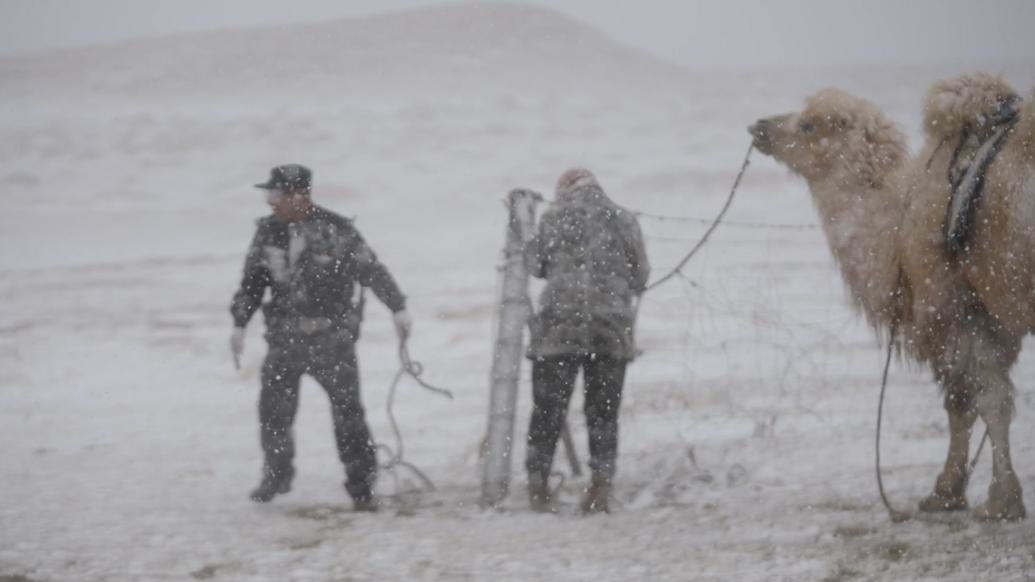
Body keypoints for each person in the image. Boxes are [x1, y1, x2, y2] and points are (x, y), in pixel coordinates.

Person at [229, 163, 412, 511]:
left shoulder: (337, 230)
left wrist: (398, 307)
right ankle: (277, 474)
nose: (271, 203)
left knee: (349, 416)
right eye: (270, 195)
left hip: (331, 341)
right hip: (284, 340)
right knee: (273, 413)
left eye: (276, 195)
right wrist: (239, 323)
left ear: (299, 196)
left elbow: (371, 269)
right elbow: (252, 283)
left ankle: (361, 486)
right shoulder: (268, 233)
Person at [524, 168, 650, 514]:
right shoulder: (624, 218)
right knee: (603, 412)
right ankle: (599, 488)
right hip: (610, 329)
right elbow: (640, 276)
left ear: (563, 192)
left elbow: (534, 266)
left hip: (557, 329)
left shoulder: (552, 218)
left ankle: (538, 488)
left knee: (548, 410)